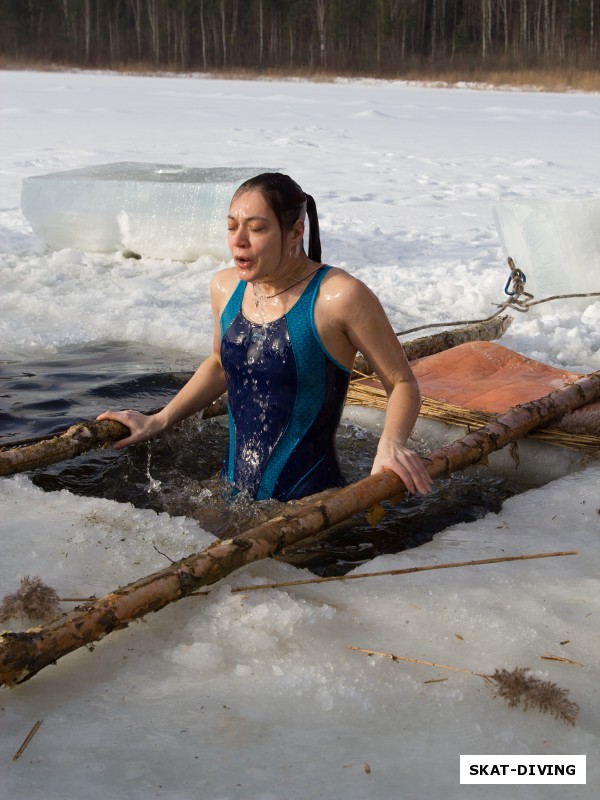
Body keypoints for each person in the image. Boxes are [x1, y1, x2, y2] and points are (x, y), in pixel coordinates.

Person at [97, 173, 432, 501]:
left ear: (295, 232)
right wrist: (159, 420)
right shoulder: (225, 287)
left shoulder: (339, 297)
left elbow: (401, 382)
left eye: (256, 229)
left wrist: (391, 444)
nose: (238, 241)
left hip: (312, 504)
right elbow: (218, 364)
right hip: (229, 494)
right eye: (231, 226)